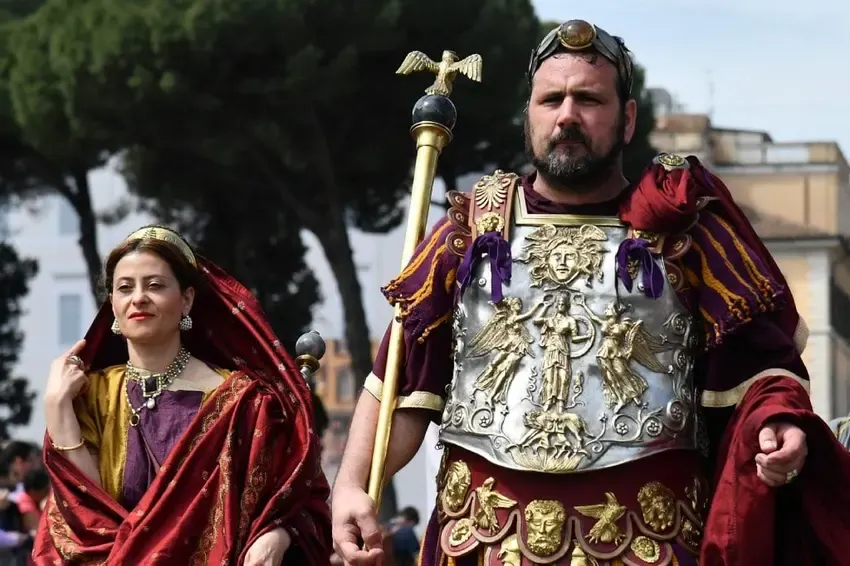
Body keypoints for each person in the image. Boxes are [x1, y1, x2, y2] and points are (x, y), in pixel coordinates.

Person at [331, 19, 850, 566]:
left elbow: (762, 371)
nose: (567, 116)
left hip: (648, 542)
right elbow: (398, 382)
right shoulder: (470, 234)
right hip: (483, 543)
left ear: (627, 119)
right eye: (551, 99)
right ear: (529, 116)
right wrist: (351, 487)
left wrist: (778, 424)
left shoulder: (683, 230)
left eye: (588, 99)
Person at [34, 225, 332, 564]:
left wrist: (276, 534)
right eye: (124, 288)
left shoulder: (244, 403)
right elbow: (87, 520)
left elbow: (301, 504)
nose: (139, 298)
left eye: (155, 285)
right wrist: (57, 407)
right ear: (112, 305)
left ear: (187, 299)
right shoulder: (91, 395)